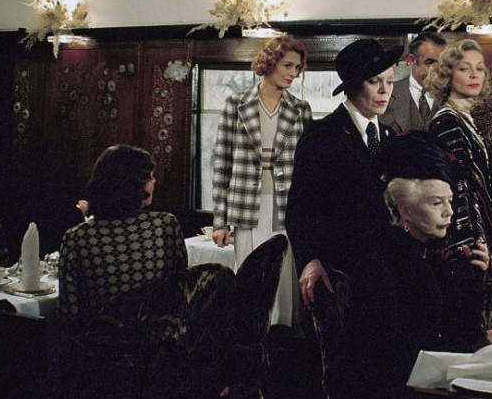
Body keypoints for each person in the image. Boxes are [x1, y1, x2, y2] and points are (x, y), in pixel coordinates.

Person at [328, 132, 490, 399]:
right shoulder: (384, 261)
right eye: (436, 203)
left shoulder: (427, 255)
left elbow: (455, 330)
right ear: (405, 211)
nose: (449, 212)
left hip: (421, 387)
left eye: (450, 201)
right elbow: (391, 356)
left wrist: (474, 278)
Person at [286, 38, 402, 306]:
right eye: (375, 81)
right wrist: (309, 259)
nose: (385, 90)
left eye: (390, 81)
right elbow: (299, 210)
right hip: (337, 271)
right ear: (354, 85)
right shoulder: (321, 135)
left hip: (384, 270)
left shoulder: (389, 136)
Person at [425, 38, 492, 350]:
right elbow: (457, 190)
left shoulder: (465, 119)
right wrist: (474, 246)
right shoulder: (448, 121)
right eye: (464, 68)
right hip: (462, 248)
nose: (474, 75)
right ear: (447, 75)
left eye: (479, 68)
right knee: (466, 337)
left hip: (474, 243)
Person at [211, 35, 311, 326]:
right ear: (270, 63)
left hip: (288, 205)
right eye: (287, 65)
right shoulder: (236, 104)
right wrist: (220, 221)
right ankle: (250, 336)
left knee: (285, 282)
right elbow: (222, 163)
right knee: (250, 280)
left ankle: (284, 337)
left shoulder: (300, 109)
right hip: (246, 206)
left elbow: (307, 167)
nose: (293, 73)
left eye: (297, 68)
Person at [57, 144, 188, 334]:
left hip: (100, 343)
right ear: (135, 183)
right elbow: (180, 291)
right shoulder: (164, 225)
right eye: (150, 177)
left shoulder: (77, 237)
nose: (154, 182)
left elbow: (70, 313)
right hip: (158, 342)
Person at [380, 32, 447, 133]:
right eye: (430, 62)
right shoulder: (386, 95)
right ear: (412, 60)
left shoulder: (453, 96)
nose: (438, 70)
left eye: (442, 64)